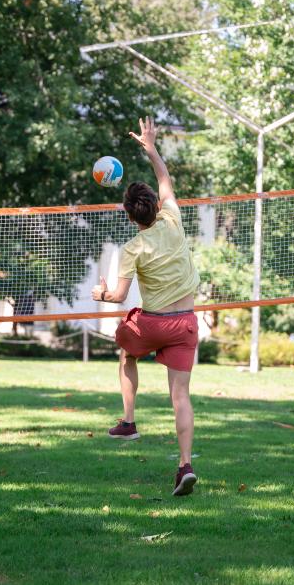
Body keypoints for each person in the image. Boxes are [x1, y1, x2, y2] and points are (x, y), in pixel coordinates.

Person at [92, 116, 200, 496]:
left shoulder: (132, 249)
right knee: (180, 397)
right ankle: (185, 464)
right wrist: (151, 147)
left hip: (153, 324)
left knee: (126, 351)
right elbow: (165, 178)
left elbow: (119, 297)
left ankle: (129, 421)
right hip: (186, 323)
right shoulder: (173, 220)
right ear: (155, 204)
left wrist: (101, 294)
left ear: (128, 214)